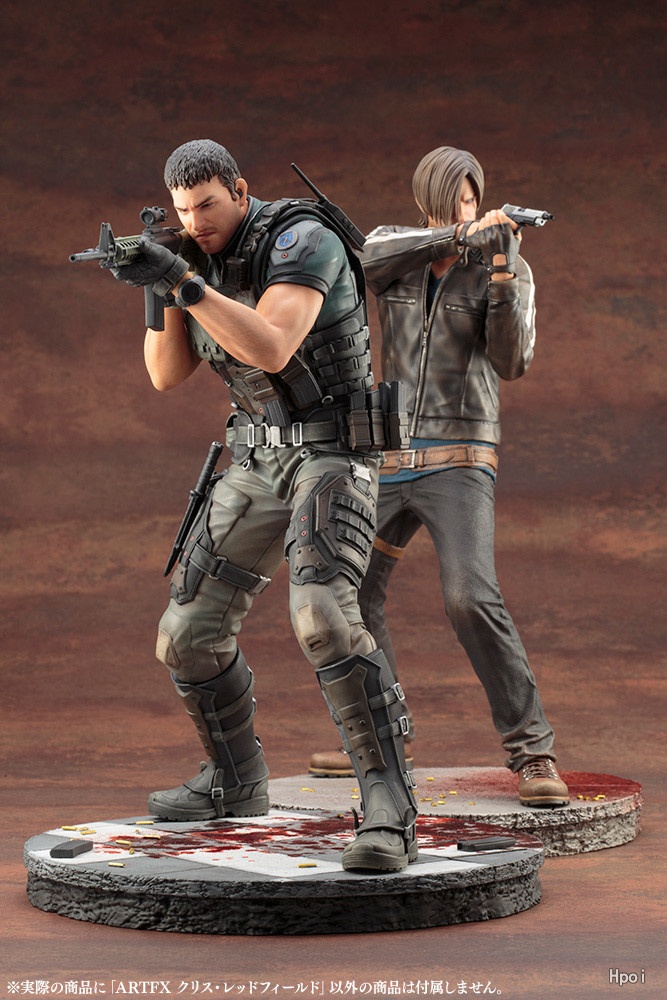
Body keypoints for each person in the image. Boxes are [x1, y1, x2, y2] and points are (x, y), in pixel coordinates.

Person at [108, 139, 418, 872]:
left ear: (240, 191)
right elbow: (165, 374)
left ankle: (389, 806)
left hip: (334, 449)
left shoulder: (300, 239)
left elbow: (274, 347)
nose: (196, 222)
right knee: (186, 632)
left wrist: (182, 281)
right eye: (183, 211)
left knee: (323, 616)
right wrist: (160, 287)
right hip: (257, 457)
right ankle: (235, 781)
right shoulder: (193, 257)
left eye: (207, 205)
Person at [309, 146, 569, 808]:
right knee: (343, 592)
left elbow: (512, 362)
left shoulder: (501, 266)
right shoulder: (398, 250)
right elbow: (369, 256)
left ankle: (532, 750)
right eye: (453, 200)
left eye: (471, 199)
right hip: (389, 455)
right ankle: (380, 737)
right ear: (430, 202)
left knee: (468, 597)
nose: (466, 209)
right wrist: (454, 236)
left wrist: (503, 269)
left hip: (459, 459)